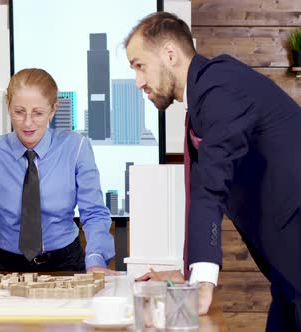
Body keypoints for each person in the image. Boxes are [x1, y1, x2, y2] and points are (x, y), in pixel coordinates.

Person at [125, 12, 301, 330]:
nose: (139, 82)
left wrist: (204, 283)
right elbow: (203, 192)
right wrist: (190, 274)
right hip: (287, 275)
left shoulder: (220, 87)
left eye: (140, 66)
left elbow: (210, 188)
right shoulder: (204, 101)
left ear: (169, 54)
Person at [0, 68, 117, 274]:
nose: (28, 123)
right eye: (19, 112)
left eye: (38, 113)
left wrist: (95, 261)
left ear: (53, 110)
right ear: (8, 107)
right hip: (10, 265)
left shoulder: (76, 148)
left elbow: (93, 213)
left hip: (66, 262)